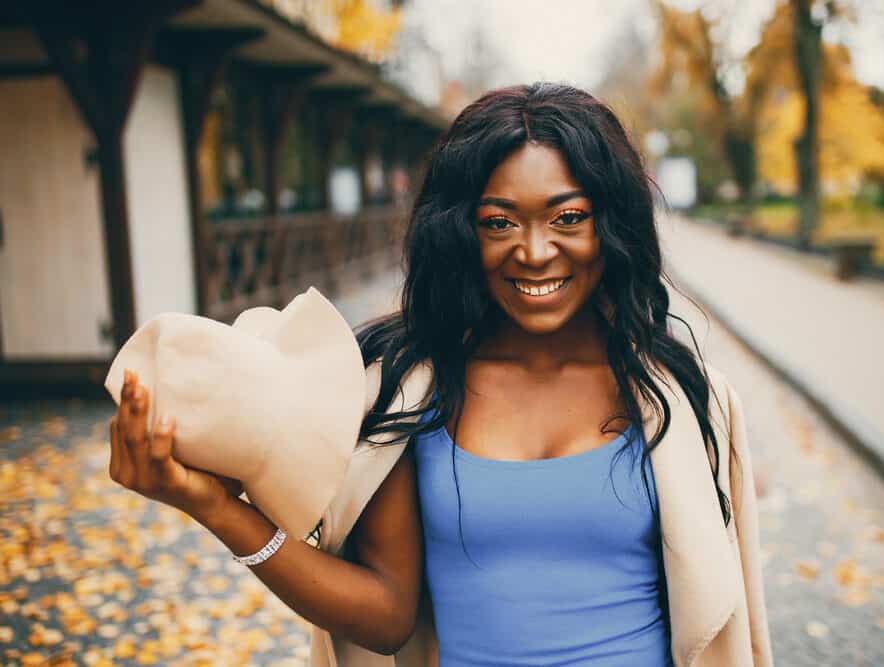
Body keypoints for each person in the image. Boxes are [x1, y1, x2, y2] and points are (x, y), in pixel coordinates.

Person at [109, 82, 772, 666]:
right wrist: (212, 505)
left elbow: (725, 621)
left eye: (568, 217)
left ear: (611, 224)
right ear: (461, 232)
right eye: (499, 221)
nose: (535, 251)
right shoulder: (408, 388)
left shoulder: (683, 398)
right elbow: (386, 613)